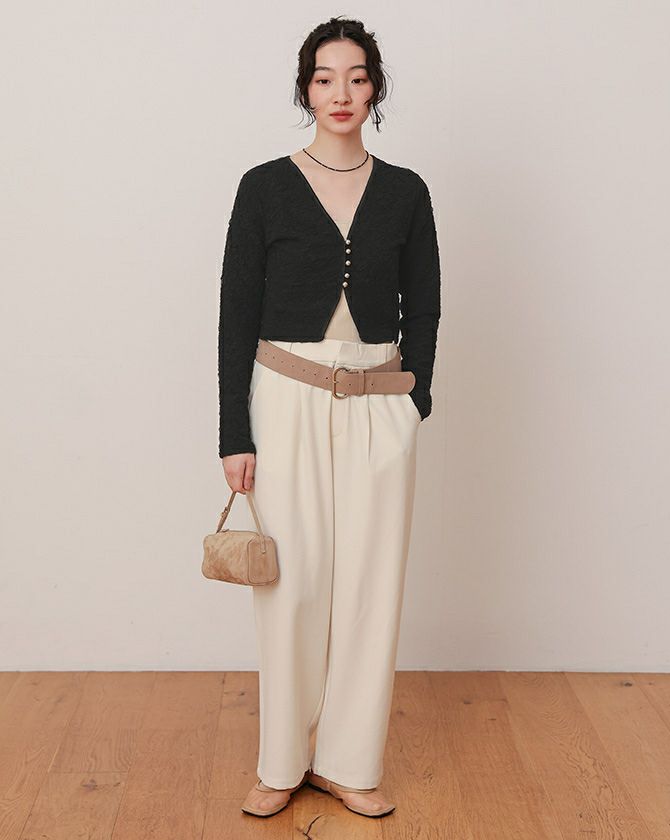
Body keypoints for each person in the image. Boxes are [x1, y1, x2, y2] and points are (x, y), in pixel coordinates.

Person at [218, 16, 441, 819]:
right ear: (305, 88)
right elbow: (235, 314)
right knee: (293, 585)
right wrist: (234, 434)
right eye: (323, 77)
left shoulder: (407, 191)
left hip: (381, 400)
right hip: (285, 397)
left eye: (355, 76)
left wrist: (414, 399)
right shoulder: (264, 186)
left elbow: (425, 304)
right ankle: (281, 763)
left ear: (374, 87)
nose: (340, 92)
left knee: (372, 585)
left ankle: (349, 761)